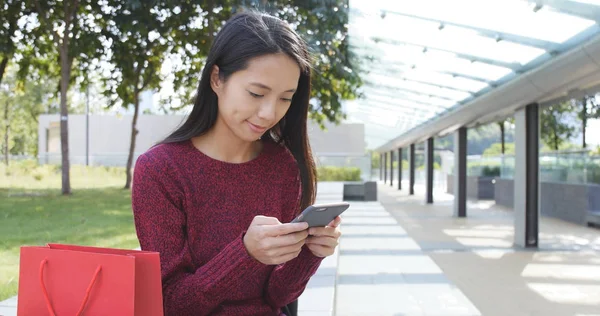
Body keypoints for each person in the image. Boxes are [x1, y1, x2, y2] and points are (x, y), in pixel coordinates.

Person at [131, 10, 342, 316]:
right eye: (257, 93)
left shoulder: (282, 167)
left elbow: (277, 295)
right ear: (217, 79)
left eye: (286, 98)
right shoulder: (161, 170)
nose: (270, 113)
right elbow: (172, 302)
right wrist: (245, 253)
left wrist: (311, 253)